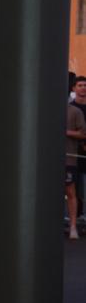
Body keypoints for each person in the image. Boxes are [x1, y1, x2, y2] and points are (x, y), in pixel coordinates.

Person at [66, 102, 86, 239]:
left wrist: (65, 131)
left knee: (71, 191)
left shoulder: (75, 111)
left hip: (68, 159)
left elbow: (83, 133)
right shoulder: (44, 108)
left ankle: (73, 227)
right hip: (46, 159)